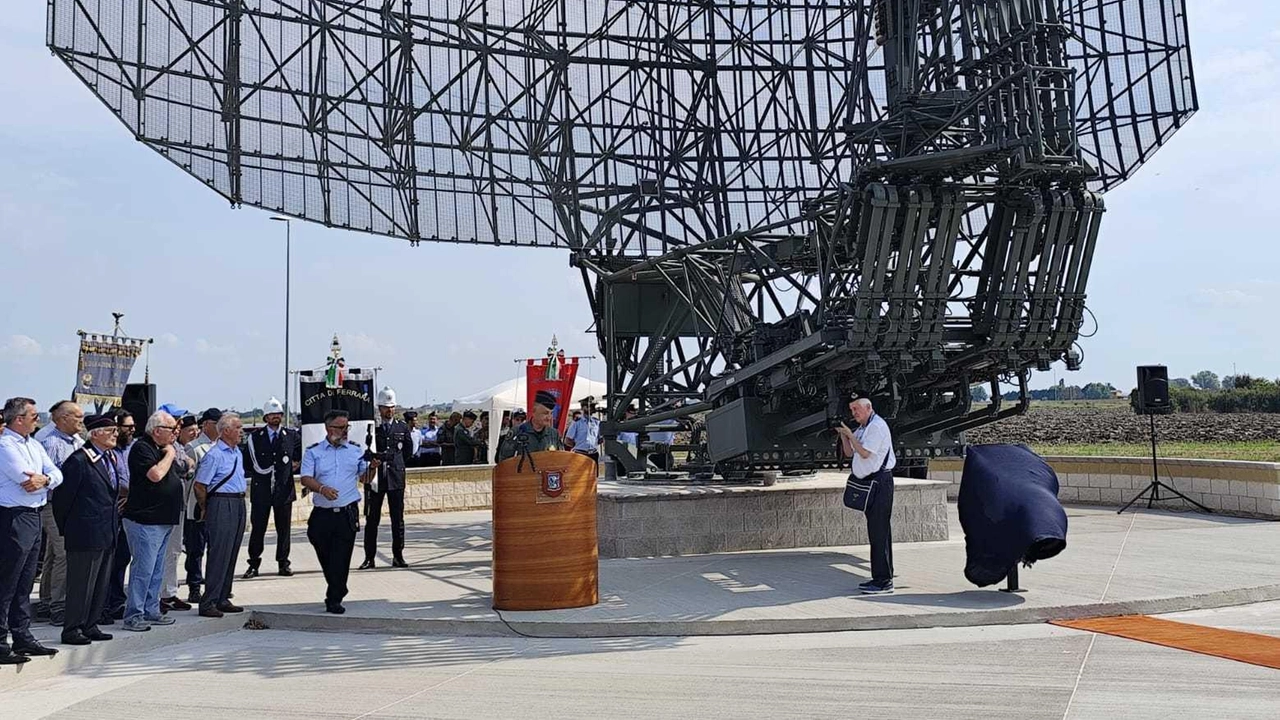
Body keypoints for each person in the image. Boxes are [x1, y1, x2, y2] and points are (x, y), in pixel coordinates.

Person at [0, 397, 63, 662]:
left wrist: (45, 480)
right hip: (14, 515)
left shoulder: (34, 444)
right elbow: (23, 476)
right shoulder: (4, 445)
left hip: (34, 514)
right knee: (8, 581)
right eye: (34, 416)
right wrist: (43, 479)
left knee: (25, 581)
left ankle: (23, 635)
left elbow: (56, 474)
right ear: (18, 419)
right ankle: (1, 642)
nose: (38, 420)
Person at [300, 410, 379, 614]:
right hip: (322, 513)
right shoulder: (314, 452)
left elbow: (365, 478)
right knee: (324, 552)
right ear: (329, 429)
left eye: (347, 427)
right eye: (341, 427)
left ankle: (334, 598)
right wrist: (322, 489)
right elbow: (306, 478)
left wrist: (373, 468)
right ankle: (338, 585)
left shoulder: (355, 450)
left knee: (342, 557)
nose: (345, 431)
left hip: (346, 513)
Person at [51, 414, 120, 645]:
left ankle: (90, 624)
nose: (115, 434)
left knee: (99, 583)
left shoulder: (108, 457)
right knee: (81, 584)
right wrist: (69, 529)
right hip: (84, 533)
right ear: (96, 434)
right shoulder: (79, 460)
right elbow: (62, 500)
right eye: (110, 430)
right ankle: (72, 628)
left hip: (106, 532)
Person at [121, 410, 184, 631]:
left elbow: (183, 469)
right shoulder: (142, 448)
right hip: (144, 520)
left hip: (163, 519)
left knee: (157, 569)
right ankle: (134, 614)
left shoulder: (162, 449)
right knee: (143, 569)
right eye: (171, 430)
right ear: (157, 431)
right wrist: (169, 454)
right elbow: (155, 475)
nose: (175, 434)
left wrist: (171, 454)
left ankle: (151, 609)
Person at [835, 397, 897, 595]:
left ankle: (883, 581)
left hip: (880, 483)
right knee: (876, 531)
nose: (854, 413)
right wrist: (844, 435)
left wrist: (851, 437)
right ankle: (880, 576)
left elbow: (864, 453)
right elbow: (848, 452)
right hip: (870, 483)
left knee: (879, 532)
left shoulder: (876, 427)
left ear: (869, 407)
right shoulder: (862, 428)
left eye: (857, 409)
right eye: (852, 409)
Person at [34, 400, 84, 625]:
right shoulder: (50, 442)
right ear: (63, 418)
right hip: (53, 505)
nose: (82, 421)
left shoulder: (78, 441)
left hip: (72, 506)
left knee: (54, 554)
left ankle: (46, 600)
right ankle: (59, 605)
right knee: (64, 552)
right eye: (77, 417)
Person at [193, 412, 248, 618]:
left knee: (231, 551)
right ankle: (209, 601)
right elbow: (200, 485)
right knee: (219, 552)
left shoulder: (236, 453)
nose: (241, 432)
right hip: (222, 502)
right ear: (226, 431)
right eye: (238, 428)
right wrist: (206, 507)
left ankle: (223, 597)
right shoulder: (215, 454)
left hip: (238, 501)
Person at [244, 398, 300, 579]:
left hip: (283, 490)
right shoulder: (255, 438)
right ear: (266, 416)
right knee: (258, 528)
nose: (276, 417)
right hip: (262, 491)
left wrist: (292, 467)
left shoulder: (292, 436)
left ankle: (283, 563)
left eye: (279, 414)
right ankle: (253, 563)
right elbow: (249, 463)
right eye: (272, 414)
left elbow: (298, 458)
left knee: (283, 529)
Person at [361, 387, 413, 570]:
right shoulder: (372, 428)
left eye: (391, 407)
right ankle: (369, 558)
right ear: (379, 408)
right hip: (376, 479)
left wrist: (397, 464)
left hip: (395, 478)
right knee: (372, 519)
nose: (389, 410)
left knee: (397, 519)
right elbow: (365, 451)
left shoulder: (401, 427)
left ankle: (398, 556)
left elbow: (407, 450)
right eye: (385, 407)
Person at [160, 415, 199, 612]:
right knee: (165, 552)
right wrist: (188, 466)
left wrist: (188, 465)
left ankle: (169, 592)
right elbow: (182, 466)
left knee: (174, 551)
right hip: (165, 507)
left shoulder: (180, 447)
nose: (176, 431)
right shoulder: (164, 448)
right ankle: (163, 594)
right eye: (173, 428)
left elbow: (189, 465)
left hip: (179, 505)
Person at [102, 409, 136, 623]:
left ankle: (116, 600)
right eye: (128, 426)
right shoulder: (108, 451)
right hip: (111, 511)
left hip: (129, 510)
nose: (132, 430)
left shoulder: (133, 448)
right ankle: (104, 603)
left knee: (123, 557)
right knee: (108, 561)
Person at [182, 408, 220, 603]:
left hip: (218, 505)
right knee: (196, 549)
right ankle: (194, 586)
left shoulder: (223, 447)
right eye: (216, 423)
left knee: (216, 547)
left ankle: (214, 586)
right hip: (196, 506)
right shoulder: (194, 448)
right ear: (205, 425)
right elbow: (189, 482)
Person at [497, 391, 563, 461]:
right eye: (545, 413)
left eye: (551, 413)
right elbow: (504, 460)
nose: (549, 417)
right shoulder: (517, 432)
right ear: (534, 412)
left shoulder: (554, 434)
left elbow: (561, 459)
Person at [563, 397, 601, 464]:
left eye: (593, 406)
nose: (593, 408)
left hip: (593, 454)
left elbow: (599, 439)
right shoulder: (577, 422)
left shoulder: (596, 422)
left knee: (594, 474)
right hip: (580, 454)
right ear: (584, 408)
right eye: (591, 406)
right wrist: (578, 446)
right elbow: (567, 440)